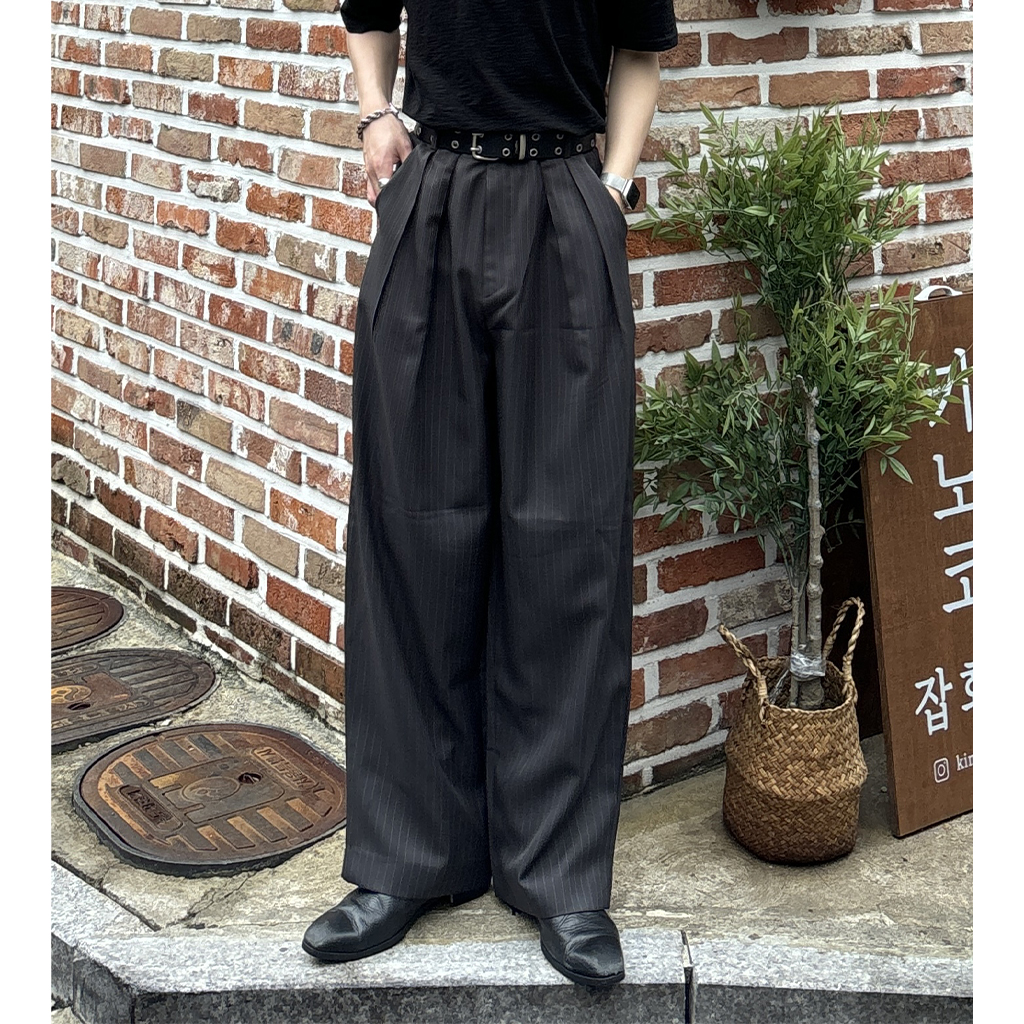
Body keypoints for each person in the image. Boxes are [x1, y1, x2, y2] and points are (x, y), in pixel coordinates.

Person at [302, 1, 678, 989]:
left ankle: (561, 876)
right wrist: (375, 111)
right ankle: (405, 859)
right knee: (409, 532)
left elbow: (639, 51)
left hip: (565, 200)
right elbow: (366, 12)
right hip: (433, 195)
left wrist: (612, 188)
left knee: (570, 543)